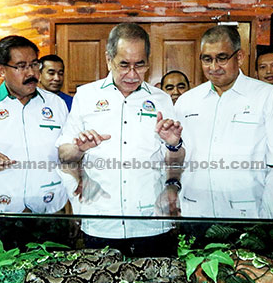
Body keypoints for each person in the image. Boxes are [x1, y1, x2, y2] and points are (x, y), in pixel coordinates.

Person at [56, 23, 183, 256]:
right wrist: (79, 148)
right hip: (101, 221)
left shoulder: (162, 99)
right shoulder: (86, 95)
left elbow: (176, 160)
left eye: (140, 65)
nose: (132, 74)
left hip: (151, 222)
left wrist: (174, 143)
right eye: (124, 64)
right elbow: (64, 154)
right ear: (108, 59)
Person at [175, 25, 273, 168]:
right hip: (194, 189)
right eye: (207, 59)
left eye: (222, 58)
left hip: (251, 190)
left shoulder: (267, 96)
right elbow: (176, 158)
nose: (214, 67)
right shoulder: (187, 101)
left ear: (239, 57)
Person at [0, 36, 68, 166]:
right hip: (0, 185)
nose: (31, 73)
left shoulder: (57, 104)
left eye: (34, 65)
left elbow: (67, 153)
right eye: (21, 66)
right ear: (1, 69)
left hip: (51, 186)